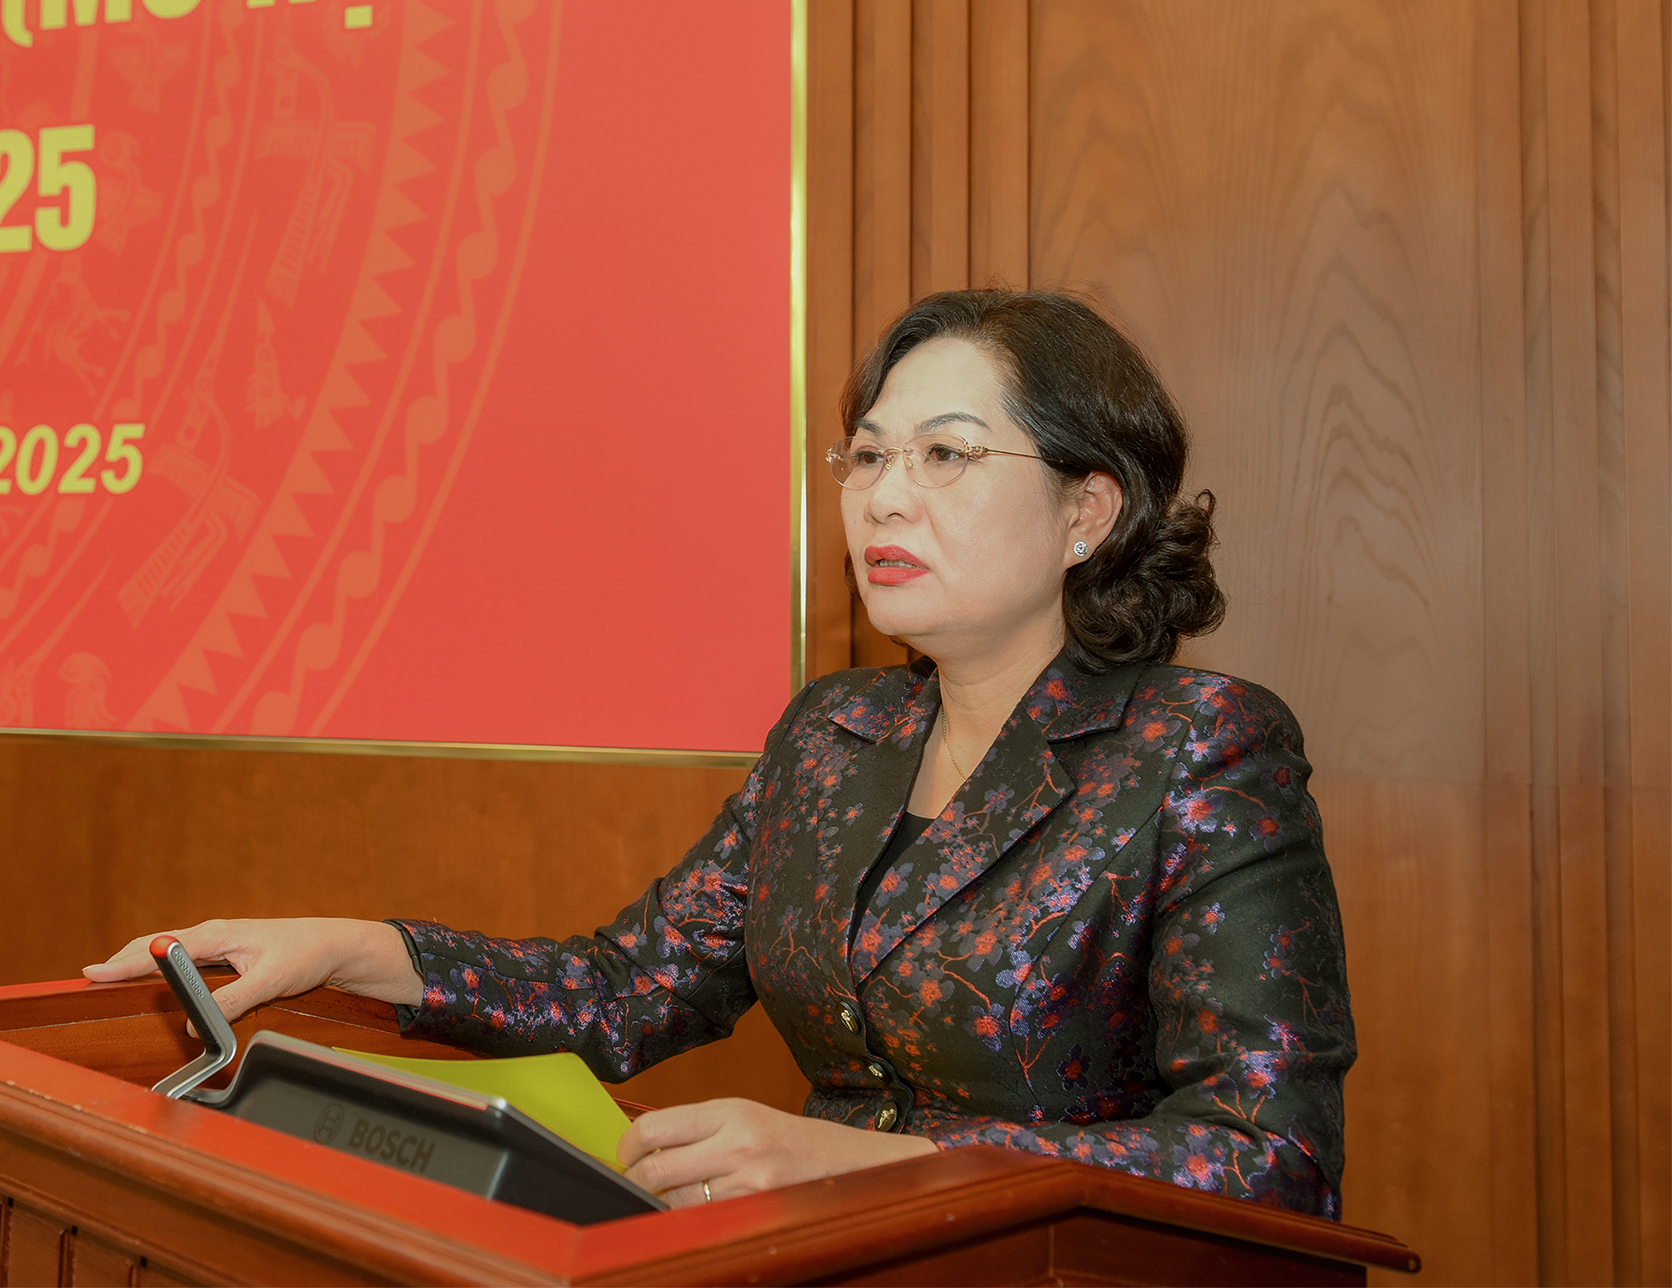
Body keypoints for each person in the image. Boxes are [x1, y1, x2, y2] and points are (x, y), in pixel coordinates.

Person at [86, 288, 1355, 1219]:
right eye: (868, 456)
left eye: (946, 455)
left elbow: (1267, 1155)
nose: (883, 496)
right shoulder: (835, 736)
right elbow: (626, 989)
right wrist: (350, 949)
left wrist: (870, 1162)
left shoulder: (1198, 747)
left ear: (1088, 509)